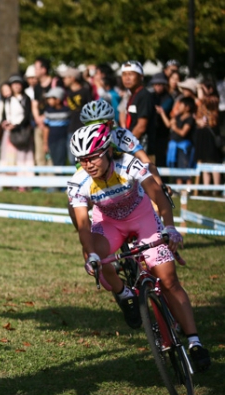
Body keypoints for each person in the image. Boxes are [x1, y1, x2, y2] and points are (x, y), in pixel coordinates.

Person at [67, 124, 210, 372]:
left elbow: (158, 195)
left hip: (142, 218)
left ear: (108, 151)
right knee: (101, 260)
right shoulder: (78, 182)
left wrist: (170, 227)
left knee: (167, 279)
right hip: (109, 224)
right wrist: (89, 255)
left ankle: (194, 341)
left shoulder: (128, 164)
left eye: (93, 157)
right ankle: (124, 294)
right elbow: (82, 225)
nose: (88, 164)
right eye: (82, 160)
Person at [31, 57, 64, 167]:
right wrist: (38, 119)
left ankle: (52, 182)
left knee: (51, 154)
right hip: (39, 125)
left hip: (53, 124)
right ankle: (42, 182)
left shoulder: (56, 82)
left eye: (36, 68)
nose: (35, 71)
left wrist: (45, 117)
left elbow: (59, 101)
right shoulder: (36, 87)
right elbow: (34, 104)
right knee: (39, 155)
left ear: (44, 69)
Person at [121, 61, 156, 161]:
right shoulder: (133, 95)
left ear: (141, 76)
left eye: (131, 74)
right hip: (134, 147)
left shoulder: (144, 95)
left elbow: (141, 127)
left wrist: (124, 146)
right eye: (124, 74)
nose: (127, 78)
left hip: (143, 150)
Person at [158, 97, 196, 185]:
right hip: (174, 147)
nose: (178, 107)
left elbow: (183, 133)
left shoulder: (190, 119)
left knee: (185, 169)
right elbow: (168, 124)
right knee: (176, 168)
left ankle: (188, 189)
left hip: (184, 148)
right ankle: (179, 189)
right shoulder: (177, 116)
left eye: (181, 105)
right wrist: (162, 113)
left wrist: (175, 128)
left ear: (187, 107)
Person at [194, 81, 221, 191]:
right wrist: (199, 121)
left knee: (213, 161)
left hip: (211, 133)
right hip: (202, 133)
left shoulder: (214, 100)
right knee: (204, 161)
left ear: (210, 89)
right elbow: (198, 116)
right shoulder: (201, 104)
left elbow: (202, 99)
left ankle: (216, 189)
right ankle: (206, 189)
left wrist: (200, 89)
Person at [62, 67, 93, 164]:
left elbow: (91, 109)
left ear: (73, 78)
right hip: (71, 128)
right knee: (72, 159)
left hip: (83, 128)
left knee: (84, 156)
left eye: (66, 77)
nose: (64, 80)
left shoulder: (85, 91)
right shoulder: (68, 93)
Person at [150, 73, 174, 168]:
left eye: (160, 84)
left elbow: (162, 109)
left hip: (163, 134)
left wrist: (154, 109)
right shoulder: (151, 96)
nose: (157, 86)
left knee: (161, 159)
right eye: (155, 84)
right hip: (152, 132)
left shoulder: (168, 98)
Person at [43, 86, 70, 167]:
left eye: (50, 98)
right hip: (52, 140)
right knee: (54, 160)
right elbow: (46, 128)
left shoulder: (66, 111)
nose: (48, 101)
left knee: (60, 160)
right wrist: (45, 143)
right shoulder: (48, 111)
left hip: (63, 140)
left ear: (58, 99)